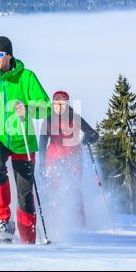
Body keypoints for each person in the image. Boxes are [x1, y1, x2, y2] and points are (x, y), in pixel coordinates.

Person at [0, 36, 51, 243]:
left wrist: (29, 109)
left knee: (24, 193)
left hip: (22, 139)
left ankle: (28, 238)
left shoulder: (26, 77)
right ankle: (2, 220)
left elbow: (46, 106)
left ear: (9, 56)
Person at [39, 91, 99, 227]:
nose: (59, 107)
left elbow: (94, 134)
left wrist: (90, 137)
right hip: (53, 160)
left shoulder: (75, 118)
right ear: (52, 104)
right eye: (56, 104)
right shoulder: (48, 120)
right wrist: (41, 164)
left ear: (67, 104)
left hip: (73, 160)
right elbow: (42, 144)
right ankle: (55, 223)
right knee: (54, 191)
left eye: (63, 104)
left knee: (74, 190)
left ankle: (79, 224)